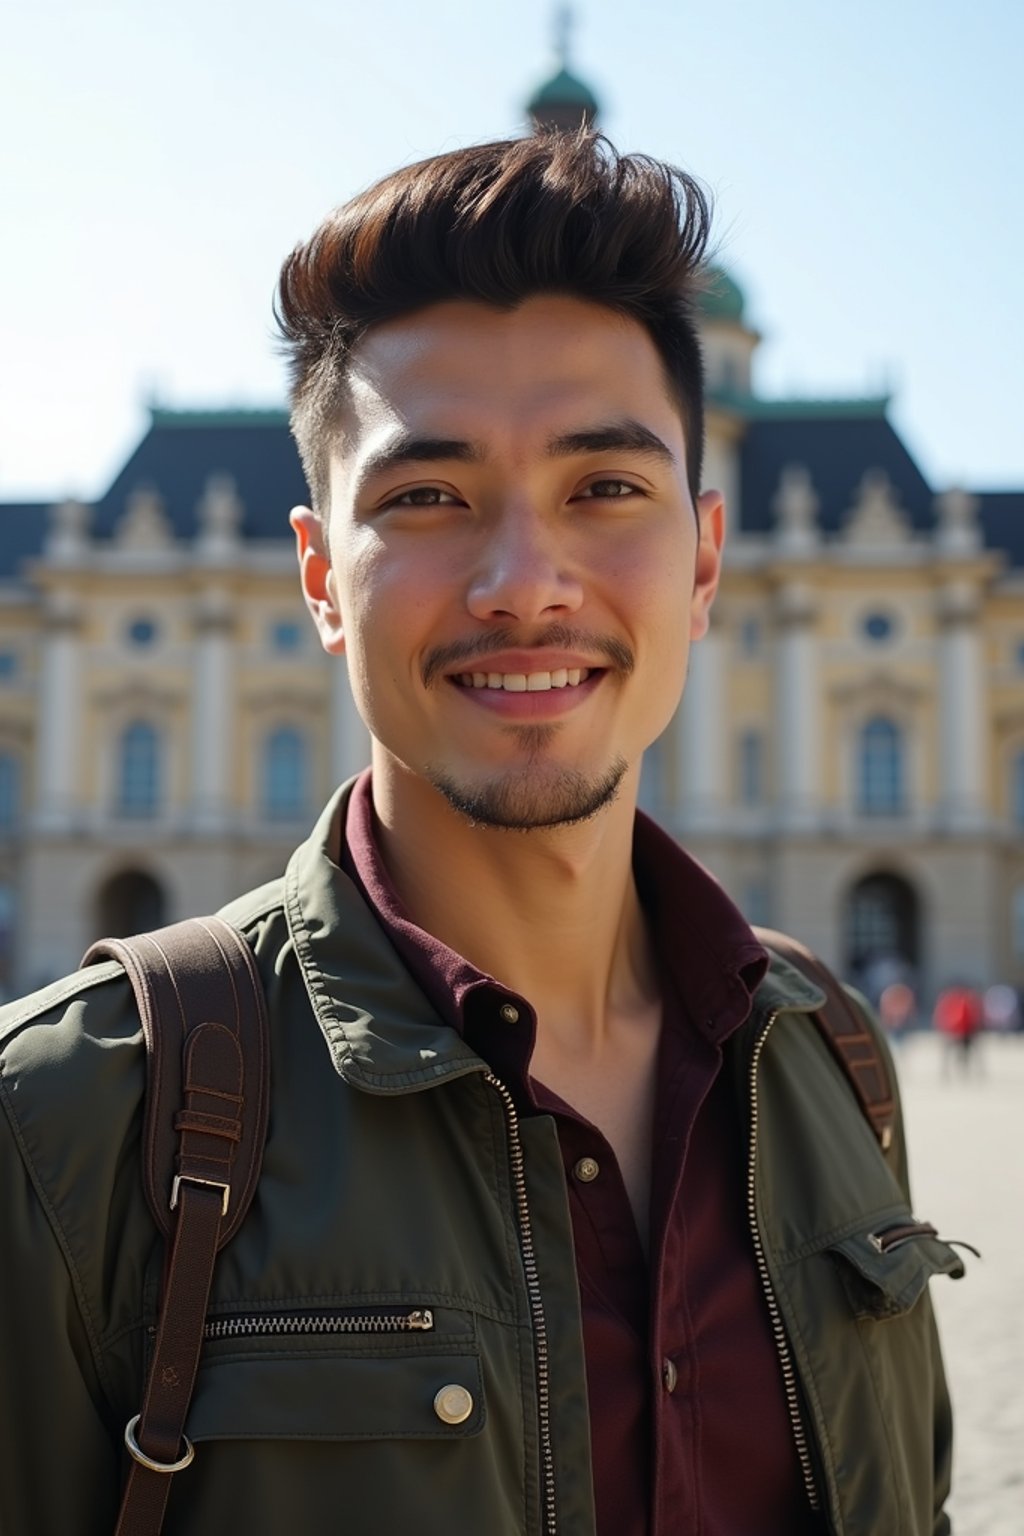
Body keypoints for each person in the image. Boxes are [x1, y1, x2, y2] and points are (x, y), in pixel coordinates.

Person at [0, 132, 963, 1536]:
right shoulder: (65, 1131)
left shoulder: (833, 1073)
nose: (525, 585)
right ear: (321, 581)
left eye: (604, 488)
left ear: (707, 560)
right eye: (428, 497)